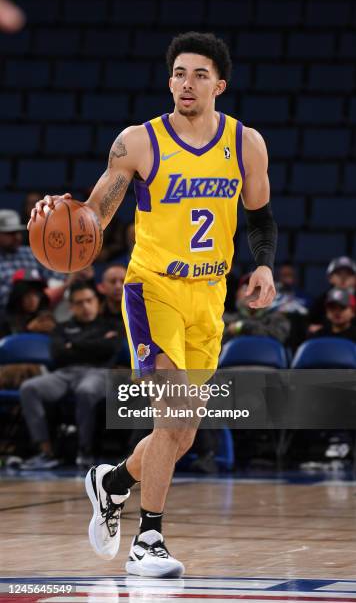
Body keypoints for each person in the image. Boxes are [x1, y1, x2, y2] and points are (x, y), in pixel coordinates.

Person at [29, 32, 277, 577]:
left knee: (182, 432)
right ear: (170, 81)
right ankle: (150, 540)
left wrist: (261, 265)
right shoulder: (138, 142)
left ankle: (111, 481)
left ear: (220, 85)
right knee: (174, 416)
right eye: (180, 74)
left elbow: (258, 216)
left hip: (208, 295)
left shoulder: (245, 143)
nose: (188, 84)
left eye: (200, 75)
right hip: (153, 289)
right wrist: (61, 213)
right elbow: (95, 212)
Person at [19, 281, 121, 470]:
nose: (86, 306)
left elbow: (109, 349)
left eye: (89, 301)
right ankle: (45, 451)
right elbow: (58, 354)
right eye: (80, 303)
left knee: (86, 390)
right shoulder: (61, 328)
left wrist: (73, 344)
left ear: (97, 302)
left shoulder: (111, 324)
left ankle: (85, 452)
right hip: (64, 373)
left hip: (99, 372)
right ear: (71, 307)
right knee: (29, 388)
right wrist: (92, 344)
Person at [0, 209, 64, 311]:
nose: (17, 237)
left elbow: (57, 278)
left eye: (18, 232)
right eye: (10, 233)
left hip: (40, 309)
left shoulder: (30, 252)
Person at [224, 273, 290, 345]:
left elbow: (279, 335)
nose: (251, 292)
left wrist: (242, 326)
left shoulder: (277, 320)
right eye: (246, 287)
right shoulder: (223, 320)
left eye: (258, 288)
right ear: (237, 294)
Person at [0, 268, 54, 337]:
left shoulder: (45, 316)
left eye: (37, 294)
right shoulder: (4, 319)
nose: (33, 299)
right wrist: (28, 330)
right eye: (28, 294)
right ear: (18, 294)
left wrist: (53, 331)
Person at [308, 256, 356, 333]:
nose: (343, 278)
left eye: (349, 274)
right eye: (338, 274)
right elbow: (310, 325)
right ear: (330, 278)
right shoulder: (321, 300)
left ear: (355, 279)